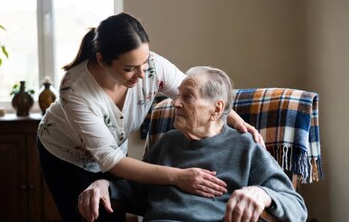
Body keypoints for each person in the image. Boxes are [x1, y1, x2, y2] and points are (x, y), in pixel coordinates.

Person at [37, 12, 263, 222]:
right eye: (130, 68)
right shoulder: (74, 90)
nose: (143, 74)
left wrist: (237, 121)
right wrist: (180, 177)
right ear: (102, 60)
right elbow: (112, 162)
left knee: (115, 214)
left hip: (113, 150)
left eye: (144, 62)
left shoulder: (152, 66)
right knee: (87, 215)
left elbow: (204, 94)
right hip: (66, 155)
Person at [78, 66, 308, 222]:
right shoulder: (169, 142)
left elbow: (297, 207)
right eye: (178, 95)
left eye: (187, 97)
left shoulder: (245, 149)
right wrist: (103, 185)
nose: (175, 103)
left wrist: (263, 193)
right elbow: (136, 191)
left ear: (216, 109)